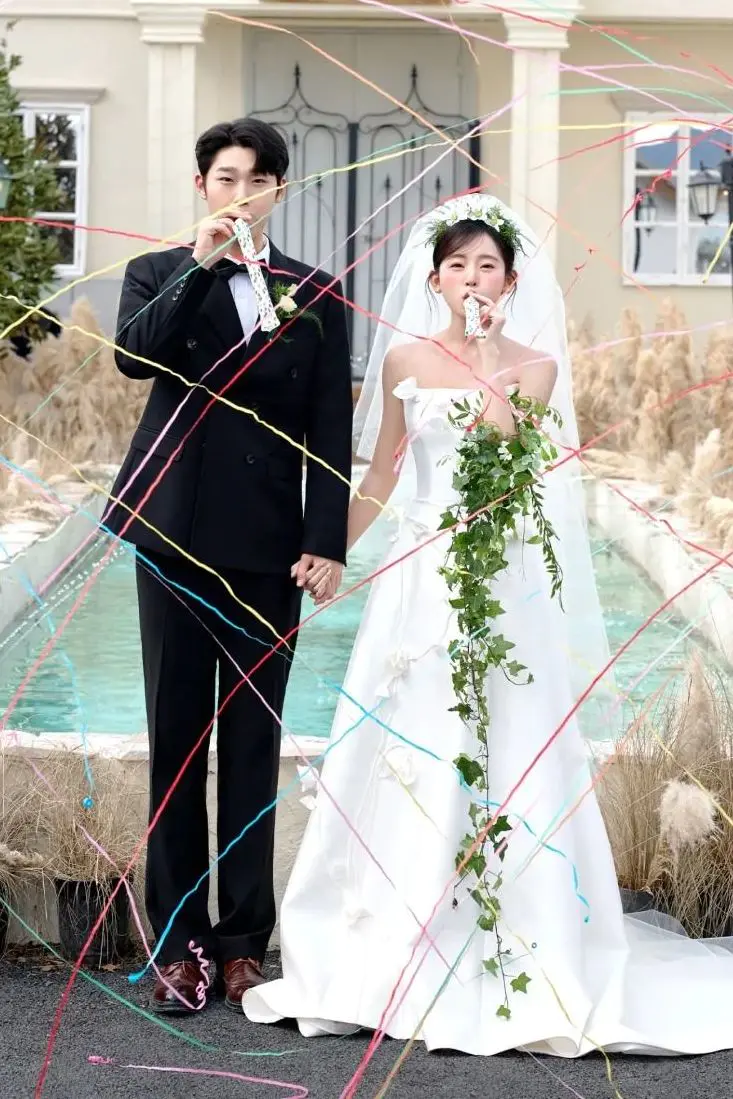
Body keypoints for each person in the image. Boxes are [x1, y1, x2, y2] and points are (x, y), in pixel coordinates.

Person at [242, 193, 733, 1057]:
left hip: (501, 578)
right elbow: (384, 474)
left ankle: (517, 942)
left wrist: (485, 357)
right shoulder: (402, 358)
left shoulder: (534, 365)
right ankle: (391, 944)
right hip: (418, 579)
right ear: (433, 278)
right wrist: (330, 550)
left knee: (509, 737)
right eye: (457, 266)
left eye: (487, 267)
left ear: (509, 282)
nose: (471, 279)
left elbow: (514, 457)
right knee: (411, 736)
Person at [102, 117, 353, 1013]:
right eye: (224, 178)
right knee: (177, 742)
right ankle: (179, 945)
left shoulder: (316, 291)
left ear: (279, 188)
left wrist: (327, 538)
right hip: (172, 533)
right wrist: (203, 266)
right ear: (201, 187)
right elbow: (134, 356)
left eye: (256, 179)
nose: (240, 193)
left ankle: (244, 942)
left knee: (252, 742)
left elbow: (331, 424)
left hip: (269, 545)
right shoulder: (158, 274)